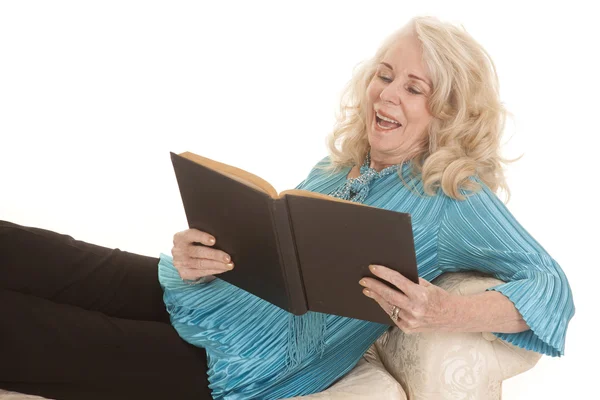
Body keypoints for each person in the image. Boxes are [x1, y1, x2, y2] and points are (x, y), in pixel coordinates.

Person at [0, 15, 574, 400]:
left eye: (414, 88)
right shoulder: (339, 166)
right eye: (384, 75)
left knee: (31, 330)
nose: (387, 94)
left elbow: (552, 285)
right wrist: (199, 252)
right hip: (207, 296)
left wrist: (447, 312)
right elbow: (279, 257)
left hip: (244, 360)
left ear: (446, 112)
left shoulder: (454, 196)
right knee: (28, 251)